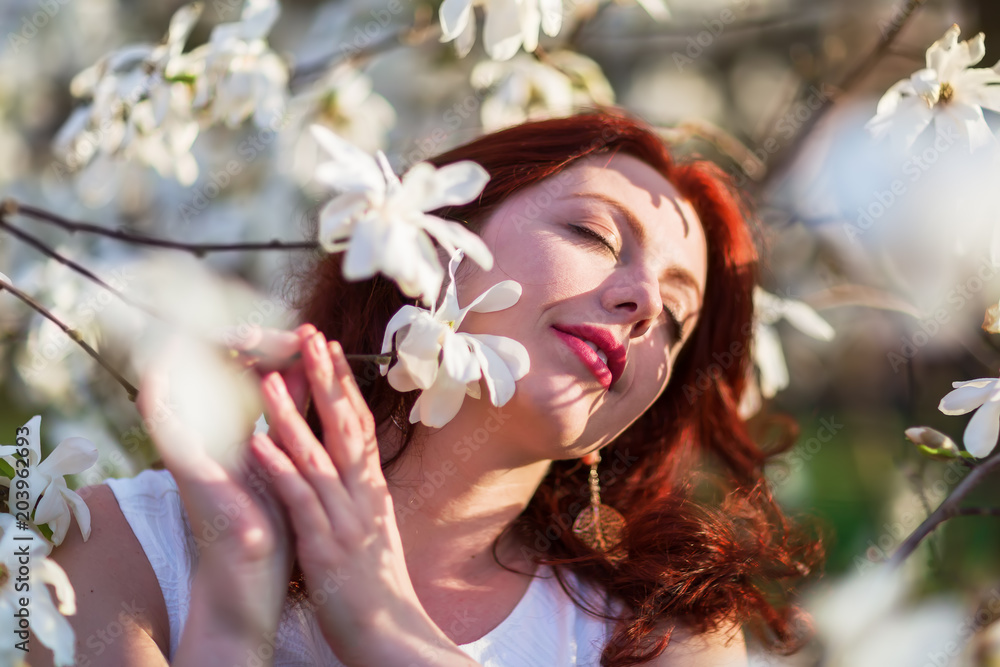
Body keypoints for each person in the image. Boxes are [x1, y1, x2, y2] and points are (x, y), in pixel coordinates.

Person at [34, 108, 820, 667]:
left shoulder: (661, 634)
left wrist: (385, 627)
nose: (645, 303)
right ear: (432, 240)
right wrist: (235, 602)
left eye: (677, 319)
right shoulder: (115, 545)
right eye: (594, 233)